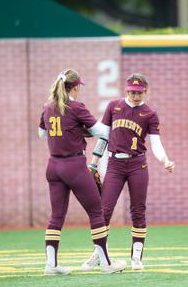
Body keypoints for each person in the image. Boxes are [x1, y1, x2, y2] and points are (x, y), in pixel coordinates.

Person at [81, 73, 175, 271]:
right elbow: (103, 136)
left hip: (137, 165)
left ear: (145, 91)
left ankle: (137, 257)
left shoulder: (149, 113)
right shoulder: (113, 106)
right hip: (115, 164)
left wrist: (165, 160)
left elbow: (155, 143)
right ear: (126, 90)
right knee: (104, 210)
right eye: (132, 92)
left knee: (138, 211)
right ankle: (99, 255)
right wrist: (94, 162)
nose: (135, 96)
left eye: (139, 92)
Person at [38, 68, 127, 275]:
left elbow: (43, 135)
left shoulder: (47, 107)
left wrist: (74, 130)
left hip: (53, 166)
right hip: (74, 165)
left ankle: (51, 265)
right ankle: (106, 263)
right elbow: (101, 132)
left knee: (56, 216)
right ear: (75, 87)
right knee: (96, 212)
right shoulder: (76, 107)